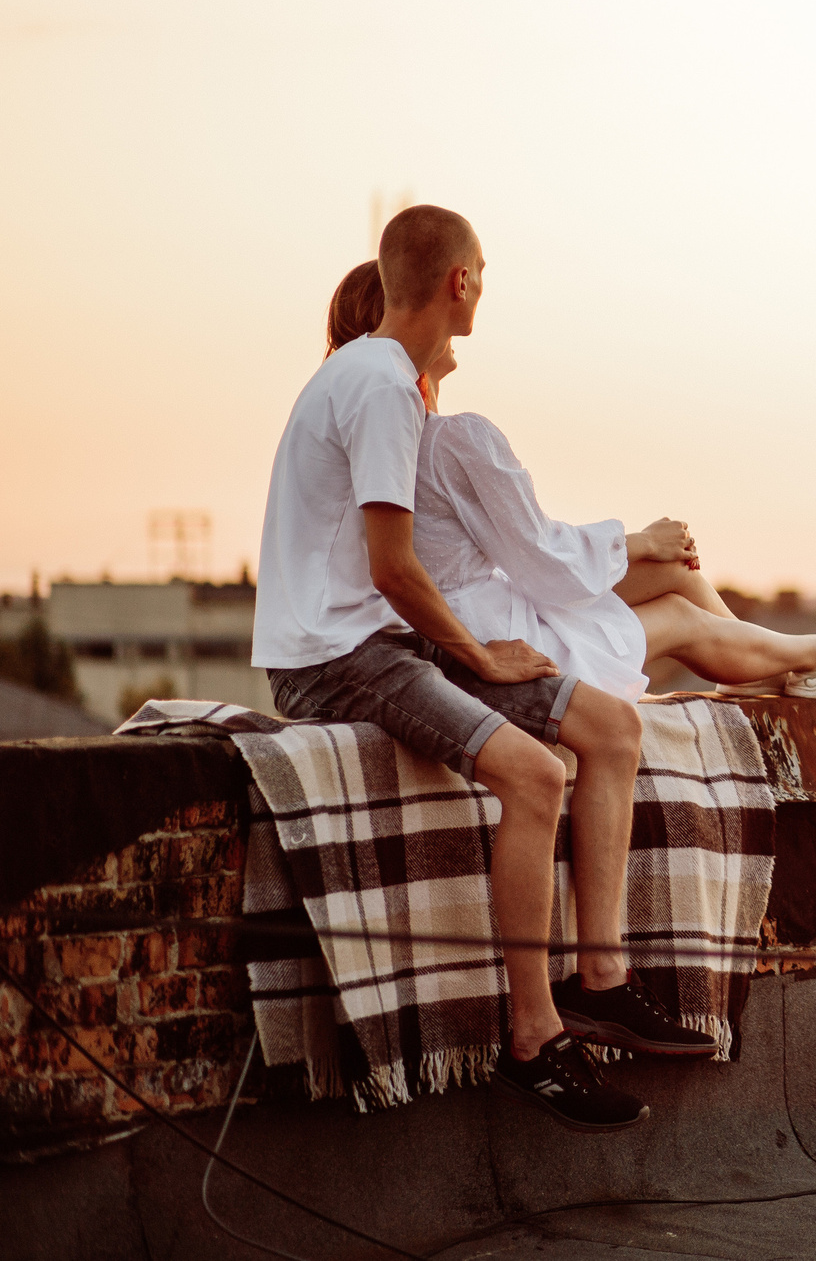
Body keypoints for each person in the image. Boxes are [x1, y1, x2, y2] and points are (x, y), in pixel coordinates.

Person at [258, 205, 709, 1135]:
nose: (483, 285)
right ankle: (534, 1040)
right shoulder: (381, 386)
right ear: (459, 281)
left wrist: (465, 644)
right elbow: (392, 567)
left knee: (612, 728)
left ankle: (604, 978)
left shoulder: (369, 376)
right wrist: (474, 651)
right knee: (538, 773)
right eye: (483, 271)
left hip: (390, 641)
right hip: (339, 660)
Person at [323, 259, 816, 700]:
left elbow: (526, 551)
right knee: (679, 616)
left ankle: (758, 665)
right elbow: (541, 556)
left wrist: (642, 549)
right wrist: (638, 539)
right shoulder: (449, 439)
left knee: (671, 571)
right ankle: (815, 654)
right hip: (487, 627)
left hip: (474, 613)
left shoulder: (373, 432)